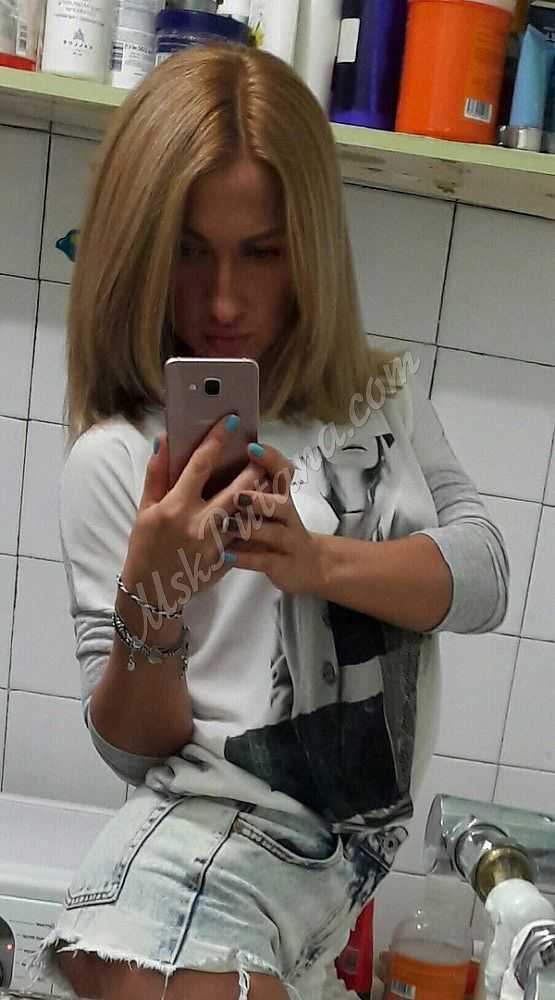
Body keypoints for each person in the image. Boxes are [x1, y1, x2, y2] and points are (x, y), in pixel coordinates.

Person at [30, 42, 509, 1000]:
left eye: (261, 252)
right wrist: (151, 599)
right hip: (198, 851)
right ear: (137, 250)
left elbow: (483, 577)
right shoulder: (117, 459)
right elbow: (135, 751)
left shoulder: (377, 401)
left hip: (327, 876)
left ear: (310, 250)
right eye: (187, 251)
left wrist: (316, 560)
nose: (223, 300)